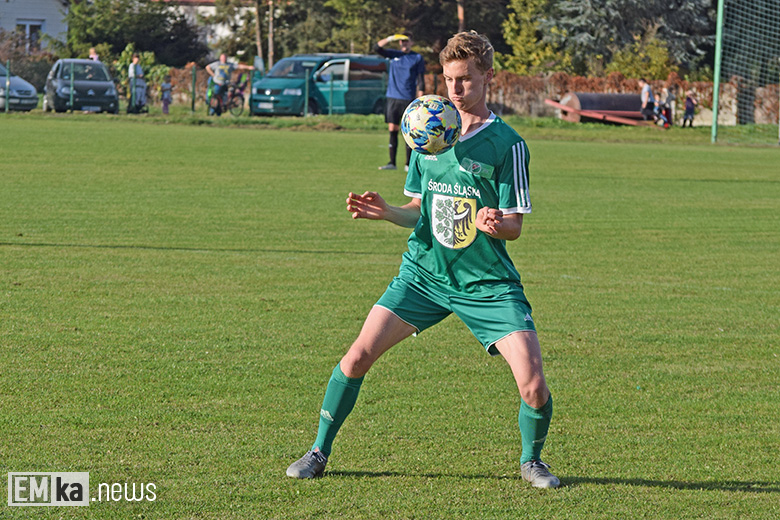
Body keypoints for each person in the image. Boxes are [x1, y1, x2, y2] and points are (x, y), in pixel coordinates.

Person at [286, 30, 560, 489]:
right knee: (356, 357)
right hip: (424, 275)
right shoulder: (426, 132)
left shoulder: (507, 144)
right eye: (450, 79)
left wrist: (494, 222)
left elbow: (514, 225)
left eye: (466, 79)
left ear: (488, 77)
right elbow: (418, 210)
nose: (456, 88)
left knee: (533, 385)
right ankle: (318, 451)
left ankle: (532, 461)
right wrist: (386, 212)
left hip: (485, 284)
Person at [374, 33, 426, 171]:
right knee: (392, 129)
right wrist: (390, 38)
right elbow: (376, 48)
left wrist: (420, 100)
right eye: (402, 41)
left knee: (408, 132)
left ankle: (408, 164)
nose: (404, 43)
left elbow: (421, 80)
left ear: (411, 43)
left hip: (408, 99)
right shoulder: (394, 55)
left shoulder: (417, 58)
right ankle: (392, 163)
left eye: (407, 41)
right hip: (392, 97)